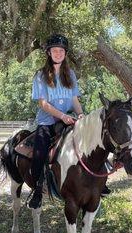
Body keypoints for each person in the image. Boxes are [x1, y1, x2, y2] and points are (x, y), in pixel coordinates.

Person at [28, 34, 84, 209]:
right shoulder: (41, 75)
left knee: (93, 142)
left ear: (65, 53)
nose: (58, 53)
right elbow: (43, 103)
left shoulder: (71, 75)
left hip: (68, 119)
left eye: (61, 50)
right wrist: (62, 116)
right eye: (55, 50)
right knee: (39, 152)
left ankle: (98, 181)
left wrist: (81, 114)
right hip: (48, 122)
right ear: (49, 53)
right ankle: (37, 189)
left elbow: (74, 99)